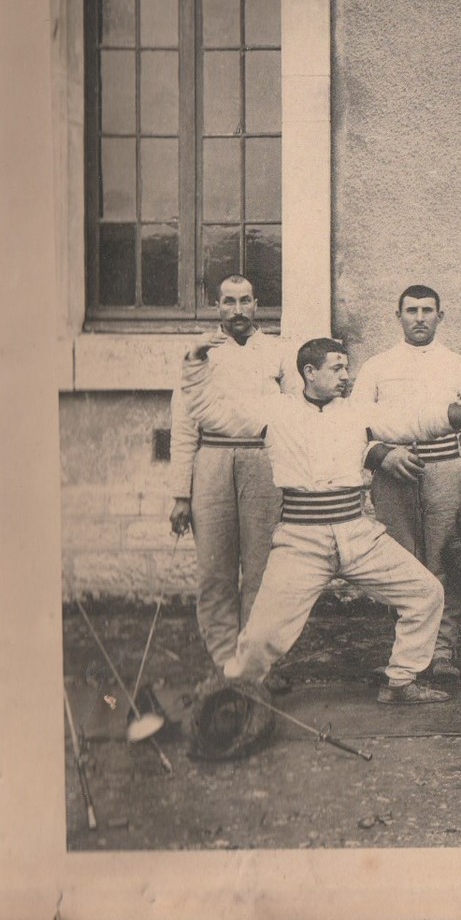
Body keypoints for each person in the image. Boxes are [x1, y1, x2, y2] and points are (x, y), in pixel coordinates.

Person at [181, 332, 461, 704]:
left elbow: (413, 420)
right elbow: (209, 411)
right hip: (301, 539)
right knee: (262, 635)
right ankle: (233, 694)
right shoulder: (275, 410)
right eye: (336, 369)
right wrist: (195, 362)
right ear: (309, 372)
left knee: (426, 593)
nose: (345, 375)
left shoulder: (355, 412)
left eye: (347, 367)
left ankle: (400, 681)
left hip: (356, 532)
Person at [354, 285, 461, 683]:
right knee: (401, 564)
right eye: (411, 310)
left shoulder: (458, 365)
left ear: (440, 316)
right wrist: (381, 454)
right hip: (393, 473)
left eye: (427, 310)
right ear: (398, 316)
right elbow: (355, 423)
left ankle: (443, 650)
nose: (419, 318)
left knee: (443, 561)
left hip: (445, 468)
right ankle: (405, 653)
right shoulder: (376, 367)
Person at [167, 275, 288, 687]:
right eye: (228, 302)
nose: (237, 311)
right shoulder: (198, 354)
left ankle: (257, 665)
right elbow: (184, 428)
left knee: (263, 570)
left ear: (257, 304)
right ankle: (224, 664)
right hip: (212, 461)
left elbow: (293, 421)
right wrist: (181, 495)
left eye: (245, 301)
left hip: (262, 461)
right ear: (216, 306)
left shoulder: (277, 353)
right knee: (215, 571)